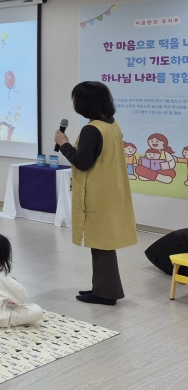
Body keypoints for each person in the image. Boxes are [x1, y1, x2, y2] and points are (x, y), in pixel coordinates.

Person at [54, 80, 138, 305]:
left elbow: (82, 162)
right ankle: (102, 287)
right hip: (110, 191)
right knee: (101, 244)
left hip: (97, 194)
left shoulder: (92, 129)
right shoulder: (111, 124)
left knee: (102, 245)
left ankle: (106, 294)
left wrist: (64, 144)